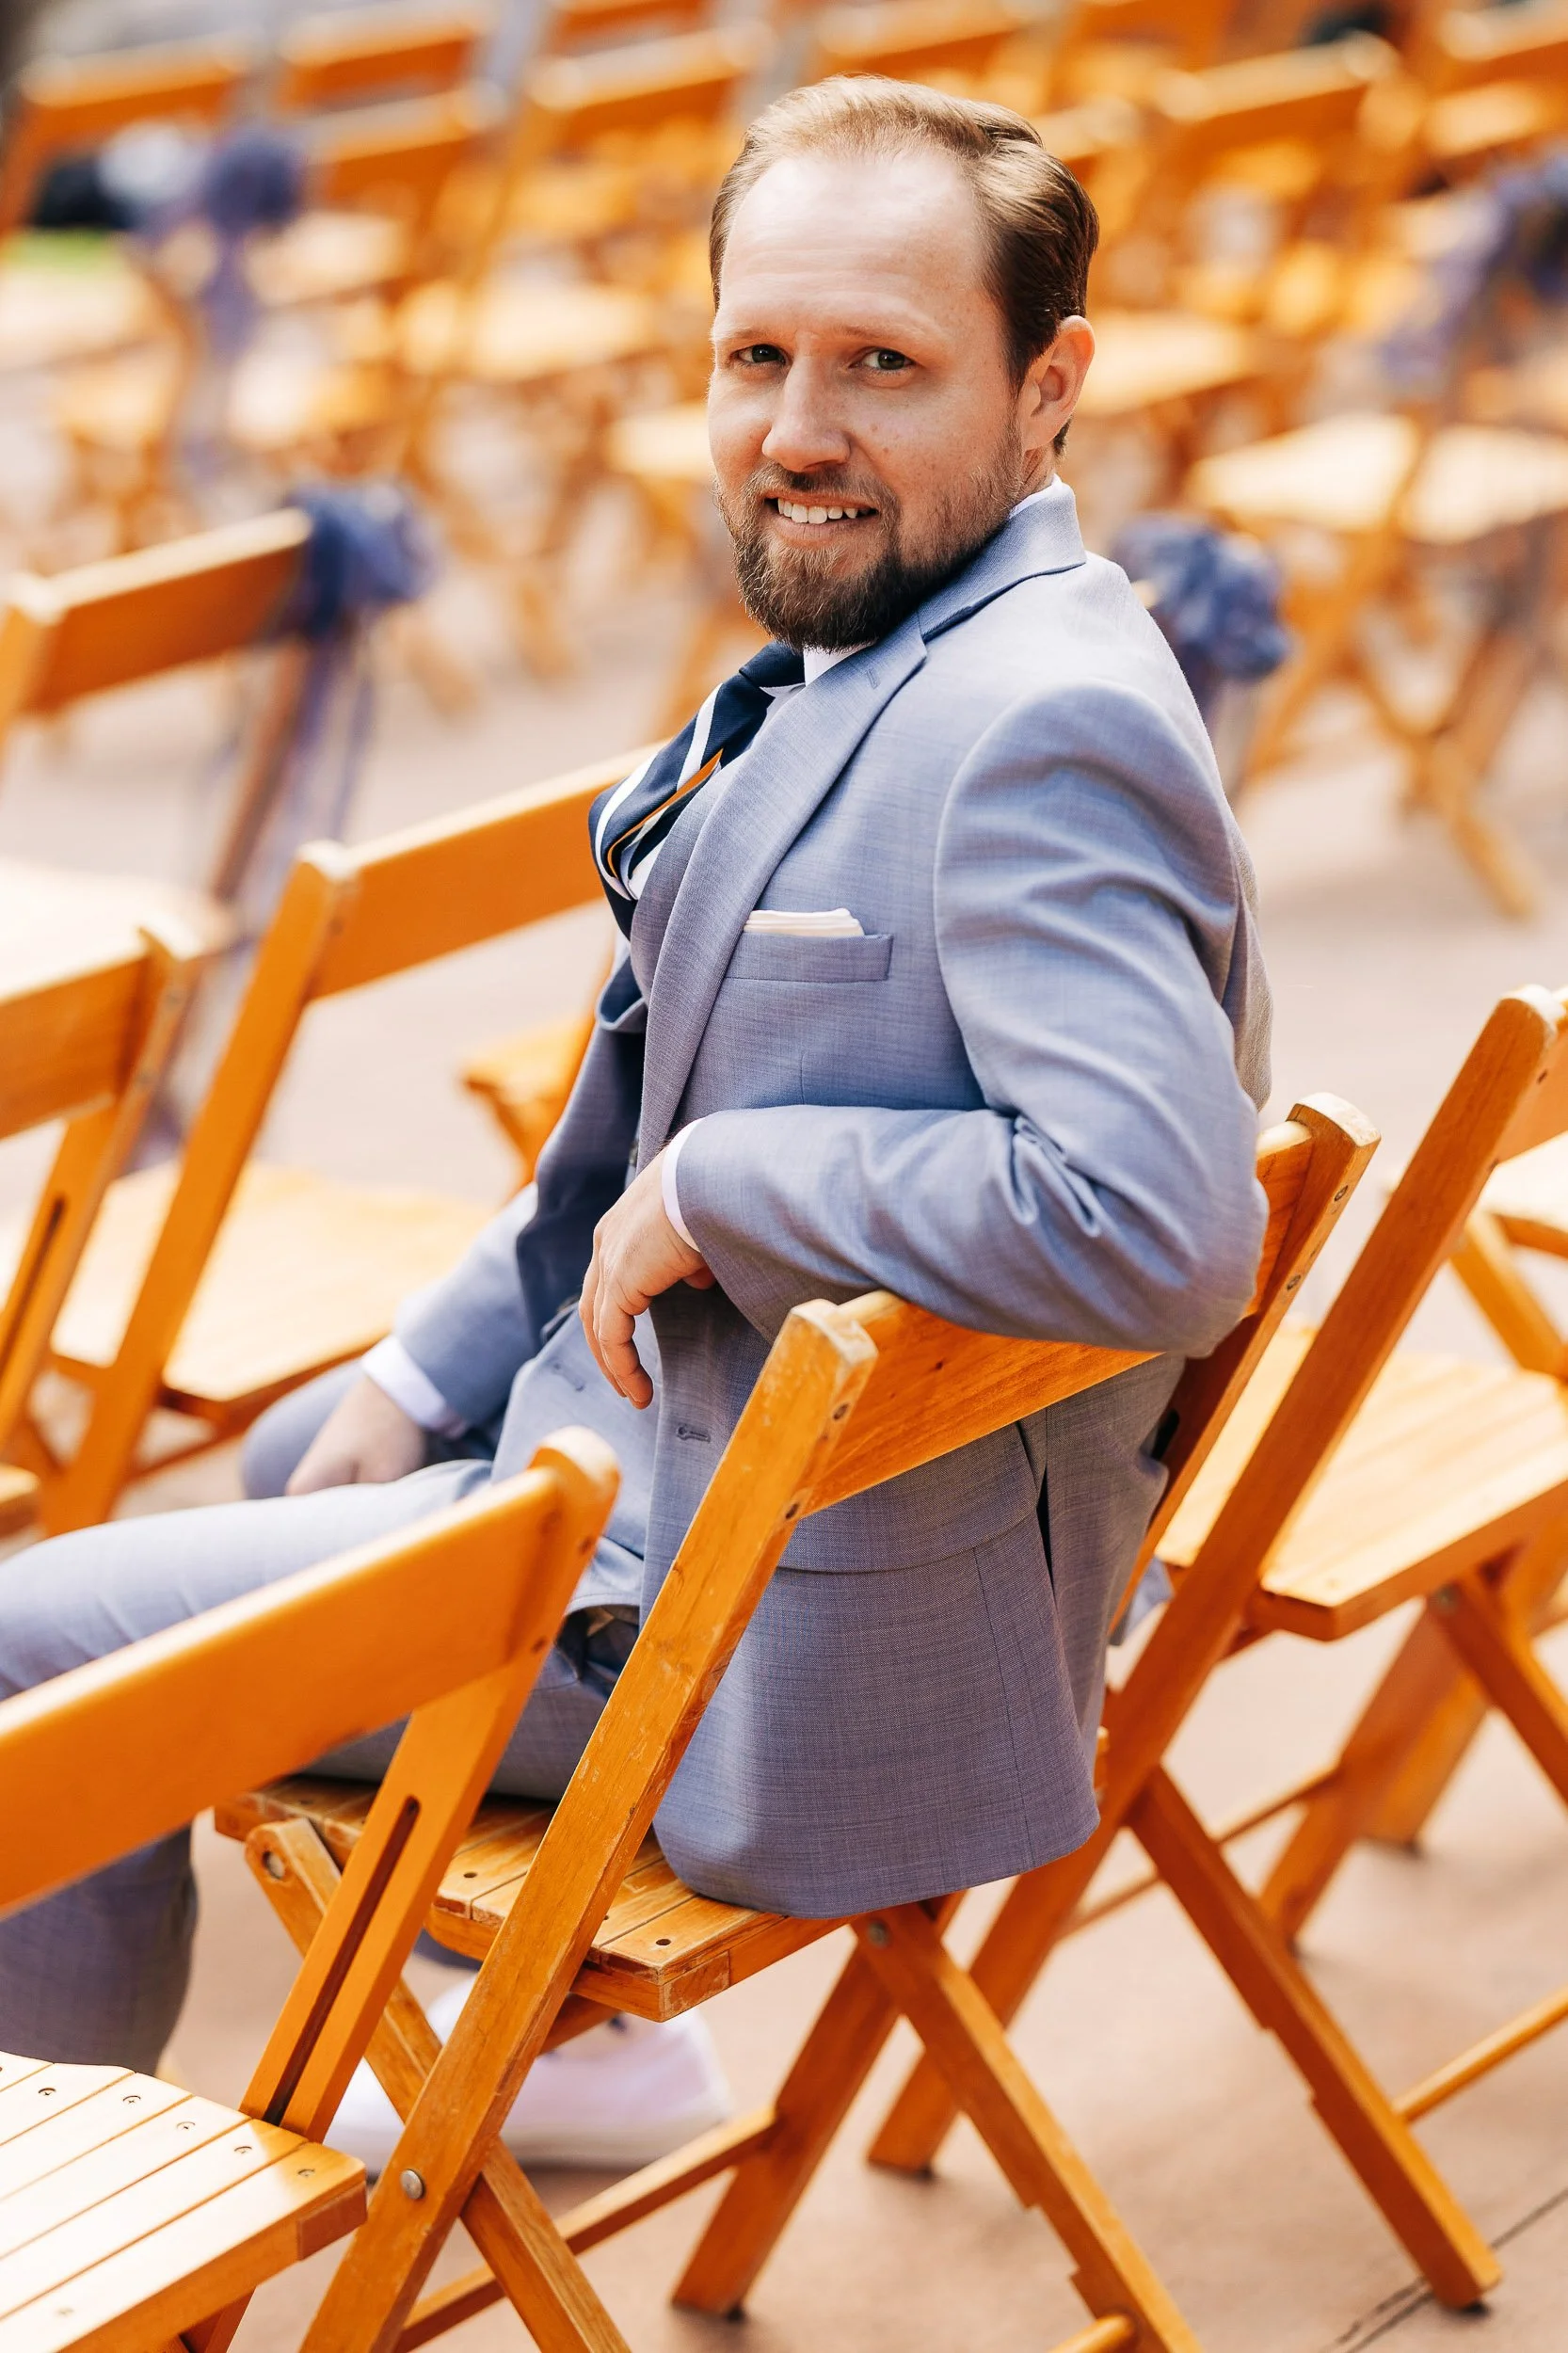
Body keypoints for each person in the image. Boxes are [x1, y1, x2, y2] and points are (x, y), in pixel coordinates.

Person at [0, 77, 1271, 2165]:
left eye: (882, 363)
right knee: (285, 1439)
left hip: (752, 1622)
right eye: (755, 354)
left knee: (27, 1650)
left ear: (1049, 388)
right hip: (700, 1479)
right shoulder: (914, 641)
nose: (794, 427)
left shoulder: (1028, 718)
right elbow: (651, 1100)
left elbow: (1156, 1217)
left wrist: (727, 1181)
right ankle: (548, 2044)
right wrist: (434, 1364)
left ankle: (61, 2230)